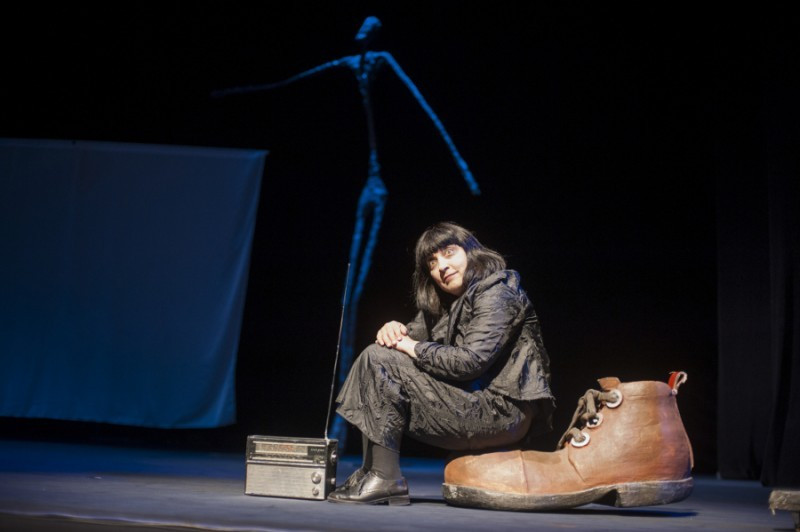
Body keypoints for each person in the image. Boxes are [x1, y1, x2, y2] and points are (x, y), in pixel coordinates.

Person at [328, 222, 555, 505]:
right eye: (432, 263)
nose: (441, 267)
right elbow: (406, 337)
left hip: (503, 411)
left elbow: (470, 362)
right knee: (377, 355)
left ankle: (385, 477)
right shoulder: (448, 305)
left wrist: (409, 346)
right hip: (475, 403)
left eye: (449, 253)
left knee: (379, 360)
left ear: (471, 252)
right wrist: (393, 329)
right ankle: (372, 470)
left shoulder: (497, 292)